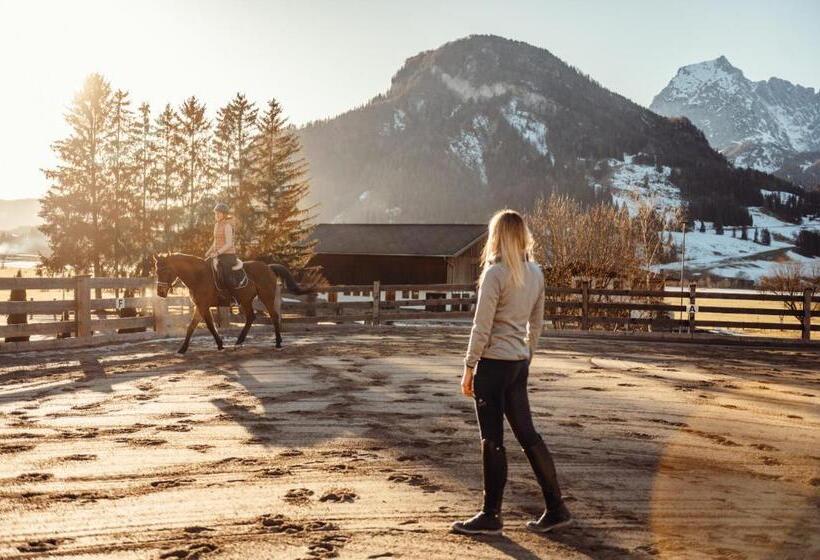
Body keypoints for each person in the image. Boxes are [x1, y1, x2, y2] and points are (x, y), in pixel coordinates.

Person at [451, 209, 572, 536]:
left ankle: (491, 515)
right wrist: (526, 356)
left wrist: (468, 367)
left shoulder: (495, 274)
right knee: (528, 435)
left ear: (497, 237)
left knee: (492, 439)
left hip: (492, 366)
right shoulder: (536, 273)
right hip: (518, 364)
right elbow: (536, 324)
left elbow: (482, 326)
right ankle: (556, 506)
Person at [205, 202, 240, 289]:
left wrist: (217, 253)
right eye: (215, 213)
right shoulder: (216, 225)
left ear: (224, 214)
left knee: (224, 275)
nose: (216, 215)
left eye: (218, 213)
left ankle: (232, 296)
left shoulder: (227, 226)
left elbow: (229, 244)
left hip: (228, 256)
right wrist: (208, 252)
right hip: (219, 255)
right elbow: (215, 241)